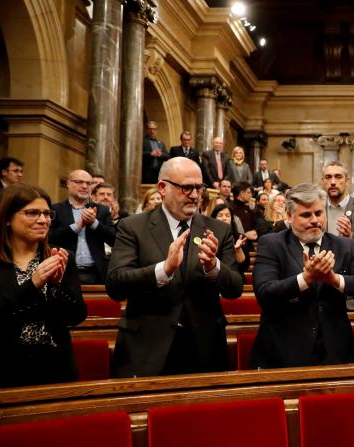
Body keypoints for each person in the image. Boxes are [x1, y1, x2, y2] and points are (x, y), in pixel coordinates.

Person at [107, 157, 243, 377]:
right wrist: (164, 269)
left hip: (205, 349)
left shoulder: (219, 230)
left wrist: (213, 266)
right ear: (163, 188)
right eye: (186, 187)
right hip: (148, 348)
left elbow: (235, 288)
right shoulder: (133, 227)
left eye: (199, 187)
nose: (195, 195)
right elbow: (116, 284)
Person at [249, 183, 354, 369]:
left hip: (336, 351)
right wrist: (305, 279)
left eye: (319, 213)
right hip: (284, 352)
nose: (315, 220)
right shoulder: (271, 244)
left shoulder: (343, 245)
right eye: (306, 215)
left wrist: (334, 279)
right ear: (289, 216)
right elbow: (265, 293)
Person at [0, 183, 87, 388]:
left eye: (47, 214)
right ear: (8, 218)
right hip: (5, 367)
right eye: (32, 213)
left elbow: (76, 316)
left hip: (55, 367)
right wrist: (33, 284)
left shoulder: (59, 256)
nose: (43, 220)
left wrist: (56, 286)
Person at [49, 169, 116, 285]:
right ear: (68, 183)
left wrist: (94, 223)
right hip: (65, 271)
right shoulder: (55, 209)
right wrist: (77, 226)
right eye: (79, 182)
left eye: (88, 183)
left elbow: (114, 239)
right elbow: (49, 238)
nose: (84, 186)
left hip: (97, 273)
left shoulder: (102, 210)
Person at [210, 203, 248, 278]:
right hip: (213, 277)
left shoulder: (240, 237)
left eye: (227, 215)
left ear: (232, 219)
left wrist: (238, 250)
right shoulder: (209, 236)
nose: (224, 218)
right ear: (214, 218)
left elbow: (244, 267)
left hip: (235, 277)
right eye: (220, 215)